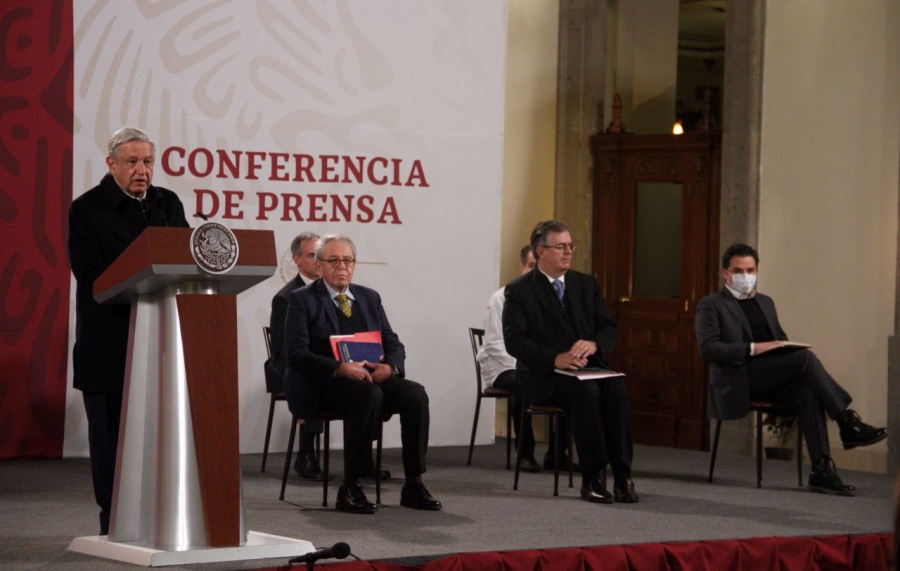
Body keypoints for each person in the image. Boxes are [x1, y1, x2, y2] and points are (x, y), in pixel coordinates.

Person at [68, 127, 190, 534]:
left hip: (161, 345)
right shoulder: (87, 209)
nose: (142, 170)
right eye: (133, 162)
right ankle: (114, 523)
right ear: (112, 164)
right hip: (109, 346)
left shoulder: (166, 203)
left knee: (159, 442)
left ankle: (160, 518)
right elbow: (92, 277)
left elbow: (186, 258)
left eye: (148, 161)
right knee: (112, 446)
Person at [695, 243, 888, 496]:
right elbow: (708, 350)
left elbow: (780, 340)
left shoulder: (766, 302)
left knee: (807, 392)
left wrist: (782, 346)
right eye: (738, 270)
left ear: (757, 270)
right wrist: (754, 348)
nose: (745, 276)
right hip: (740, 376)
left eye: (750, 270)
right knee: (805, 359)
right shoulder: (712, 304)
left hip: (771, 375)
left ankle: (821, 471)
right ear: (725, 273)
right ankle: (847, 422)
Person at [283, 234, 441, 514]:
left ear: (354, 265)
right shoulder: (301, 300)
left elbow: (393, 342)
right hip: (323, 383)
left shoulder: (369, 297)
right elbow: (296, 354)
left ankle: (414, 484)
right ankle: (351, 486)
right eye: (333, 260)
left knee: (414, 394)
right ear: (319, 265)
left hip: (370, 379)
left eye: (347, 260)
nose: (341, 266)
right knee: (367, 394)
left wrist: (390, 367)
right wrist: (339, 368)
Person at [503, 220, 639, 504]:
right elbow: (515, 341)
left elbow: (608, 327)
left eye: (570, 246)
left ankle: (623, 475)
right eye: (560, 246)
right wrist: (555, 358)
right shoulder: (519, 290)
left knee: (617, 388)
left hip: (588, 367)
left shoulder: (585, 284)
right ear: (540, 252)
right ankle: (593, 477)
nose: (568, 252)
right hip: (545, 375)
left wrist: (593, 344)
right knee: (584, 392)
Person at [477, 245, 573, 472]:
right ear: (522, 267)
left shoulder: (554, 299)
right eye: (531, 267)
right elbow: (494, 345)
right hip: (502, 368)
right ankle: (525, 453)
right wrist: (532, 366)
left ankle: (557, 453)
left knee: (570, 384)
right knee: (524, 383)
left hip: (538, 365)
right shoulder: (503, 297)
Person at [266, 232, 326, 480]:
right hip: (290, 367)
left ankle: (363, 458)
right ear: (297, 259)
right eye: (312, 255)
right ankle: (305, 454)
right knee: (312, 379)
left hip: (326, 365)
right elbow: (282, 350)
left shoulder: (336, 292)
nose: (318, 261)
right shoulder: (286, 298)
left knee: (363, 382)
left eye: (321, 255)